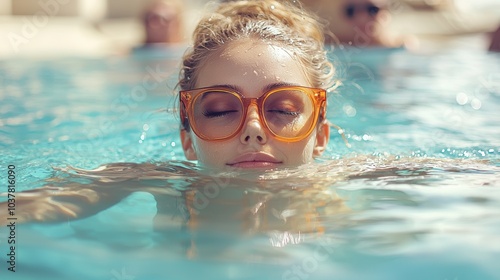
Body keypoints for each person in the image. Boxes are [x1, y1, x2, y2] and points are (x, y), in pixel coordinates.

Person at [0, 0, 345, 245]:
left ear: (320, 136)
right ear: (186, 139)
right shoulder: (156, 180)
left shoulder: (362, 180)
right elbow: (15, 214)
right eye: (221, 110)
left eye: (283, 109)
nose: (253, 129)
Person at [301, 0, 403, 47]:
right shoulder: (334, 44)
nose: (361, 18)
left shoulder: (402, 46)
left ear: (386, 13)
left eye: (372, 10)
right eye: (351, 10)